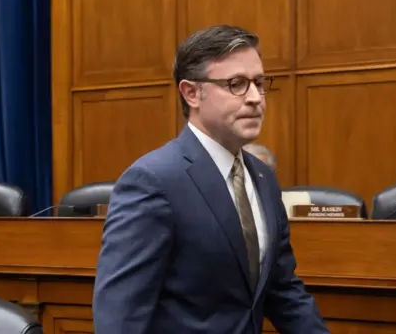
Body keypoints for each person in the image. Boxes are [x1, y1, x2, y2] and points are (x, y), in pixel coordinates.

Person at [93, 25, 329, 334]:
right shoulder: (153, 181)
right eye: (237, 84)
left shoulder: (263, 179)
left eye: (259, 82)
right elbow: (120, 317)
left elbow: (283, 291)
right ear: (191, 93)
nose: (256, 98)